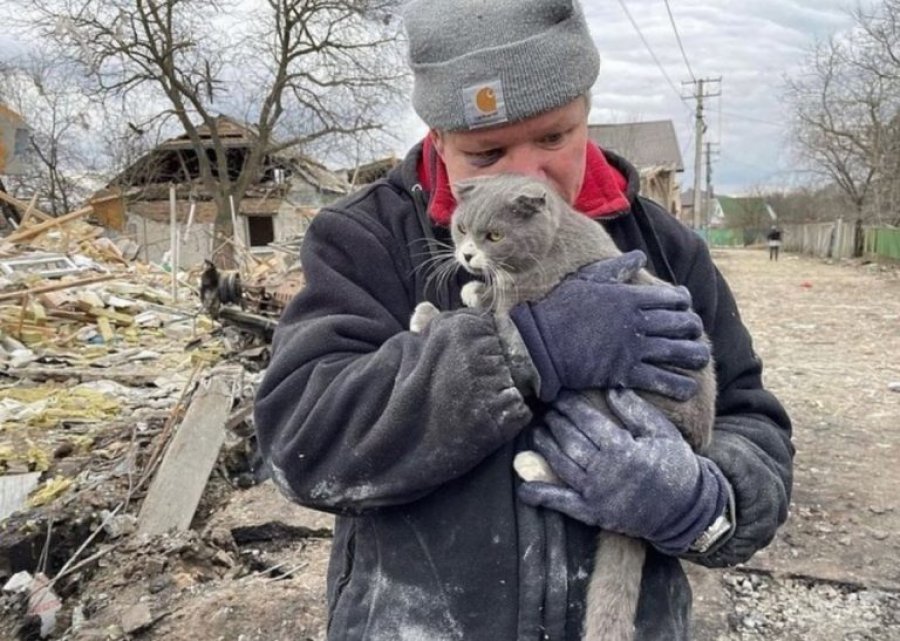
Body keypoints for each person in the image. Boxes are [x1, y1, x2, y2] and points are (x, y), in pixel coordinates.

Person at [254, 1, 794, 639]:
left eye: (553, 137)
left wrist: (702, 501)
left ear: (585, 110)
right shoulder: (363, 240)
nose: (525, 174)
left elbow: (750, 422)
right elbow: (301, 445)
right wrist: (518, 349)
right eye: (485, 153)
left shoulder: (664, 245)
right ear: (440, 138)